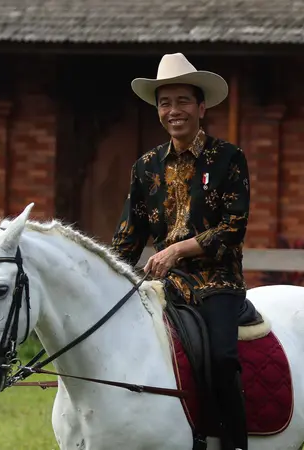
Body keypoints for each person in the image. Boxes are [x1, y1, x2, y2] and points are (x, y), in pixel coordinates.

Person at [111, 53, 249, 450]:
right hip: (162, 287)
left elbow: (232, 230)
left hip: (217, 283)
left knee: (222, 359)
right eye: (165, 103)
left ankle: (235, 443)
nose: (174, 111)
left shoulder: (228, 159)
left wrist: (176, 251)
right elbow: (127, 238)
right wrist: (104, 275)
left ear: (201, 107)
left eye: (183, 101)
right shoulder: (146, 167)